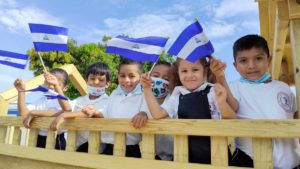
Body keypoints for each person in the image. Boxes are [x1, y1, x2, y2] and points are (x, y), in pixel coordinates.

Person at [211, 34, 300, 169]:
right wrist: (221, 78)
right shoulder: (234, 86)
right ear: (235, 66)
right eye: (243, 61)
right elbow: (231, 107)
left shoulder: (283, 87)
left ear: (268, 60)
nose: (251, 65)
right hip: (251, 162)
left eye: (258, 58)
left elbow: (294, 117)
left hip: (293, 163)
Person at [141, 57, 236, 164]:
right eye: (184, 71)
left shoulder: (214, 91)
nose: (189, 75)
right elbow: (157, 114)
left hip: (218, 157)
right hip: (184, 158)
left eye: (195, 70)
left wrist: (222, 102)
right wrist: (146, 88)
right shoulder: (176, 97)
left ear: (204, 71)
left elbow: (232, 118)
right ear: (178, 73)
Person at [50, 62, 111, 153]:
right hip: (73, 146)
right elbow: (66, 108)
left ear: (107, 84)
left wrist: (64, 116)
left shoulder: (109, 102)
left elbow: (90, 113)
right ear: (86, 81)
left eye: (101, 80)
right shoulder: (79, 100)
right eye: (92, 79)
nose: (96, 82)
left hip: (96, 149)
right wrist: (56, 86)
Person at [100, 59, 150, 158]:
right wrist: (94, 112)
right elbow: (105, 113)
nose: (126, 80)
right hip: (109, 144)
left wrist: (144, 113)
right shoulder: (114, 93)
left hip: (130, 147)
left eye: (131, 76)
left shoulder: (144, 95)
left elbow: (147, 111)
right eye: (122, 76)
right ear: (118, 76)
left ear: (140, 77)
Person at [14, 68, 71, 150]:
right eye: (48, 83)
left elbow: (66, 111)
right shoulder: (40, 100)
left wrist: (35, 113)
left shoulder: (65, 101)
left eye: (55, 84)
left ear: (65, 88)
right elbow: (24, 114)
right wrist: (21, 91)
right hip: (38, 138)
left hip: (56, 140)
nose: (51, 87)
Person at [148, 61, 174, 161]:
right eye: (156, 76)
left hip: (179, 154)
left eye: (166, 79)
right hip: (156, 156)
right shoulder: (142, 99)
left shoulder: (174, 99)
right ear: (149, 76)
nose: (159, 80)